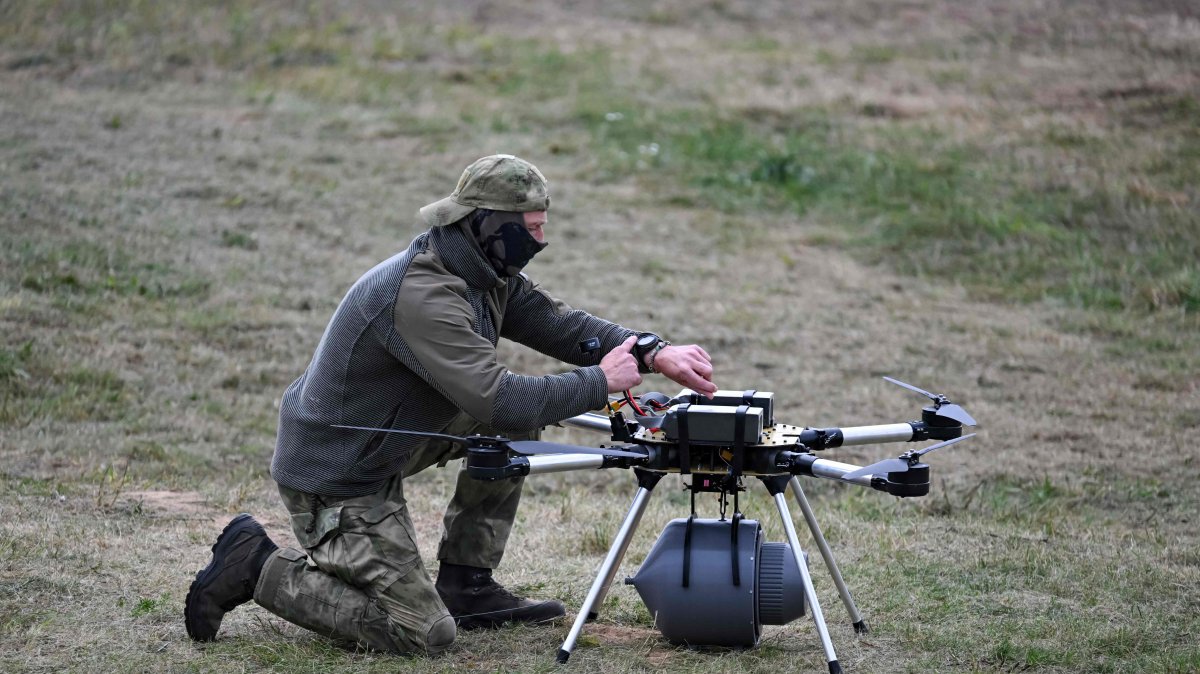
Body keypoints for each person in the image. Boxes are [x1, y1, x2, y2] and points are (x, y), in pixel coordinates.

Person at [183, 154, 717, 655]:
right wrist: (600, 380)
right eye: (531, 229)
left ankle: (468, 585)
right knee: (422, 633)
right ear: (489, 227)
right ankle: (256, 565)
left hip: (388, 438)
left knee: (510, 430)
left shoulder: (482, 272)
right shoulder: (425, 295)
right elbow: (502, 400)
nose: (542, 241)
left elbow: (558, 324)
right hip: (338, 470)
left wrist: (652, 350)